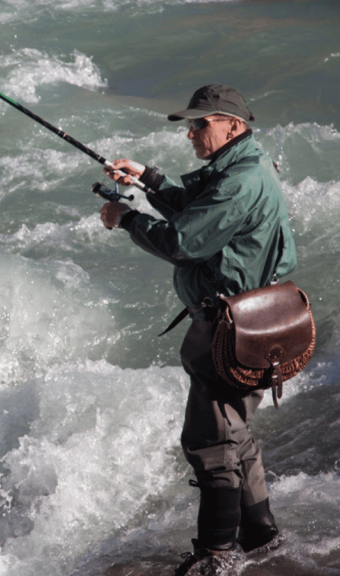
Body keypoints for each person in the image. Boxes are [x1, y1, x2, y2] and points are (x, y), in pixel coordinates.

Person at [99, 84, 296, 576]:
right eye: (191, 124)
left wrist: (126, 217)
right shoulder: (244, 167)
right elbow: (200, 210)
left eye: (200, 123)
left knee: (210, 445)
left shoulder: (240, 180)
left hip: (230, 329)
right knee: (237, 436)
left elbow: (185, 241)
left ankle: (217, 555)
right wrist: (149, 179)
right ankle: (262, 537)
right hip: (254, 320)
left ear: (234, 125)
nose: (191, 132)